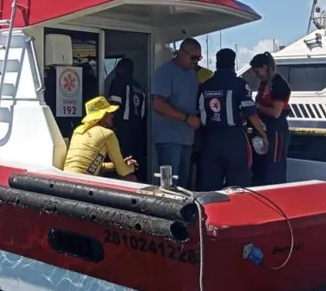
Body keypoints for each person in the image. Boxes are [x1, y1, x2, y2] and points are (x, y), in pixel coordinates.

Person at [197, 48, 268, 191]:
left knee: (210, 183)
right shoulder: (240, 84)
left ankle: (211, 212)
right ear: (233, 64)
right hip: (234, 139)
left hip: (209, 139)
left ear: (217, 64)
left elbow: (198, 112)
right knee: (238, 183)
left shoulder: (205, 86)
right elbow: (250, 113)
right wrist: (263, 135)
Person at [151, 38, 202, 188]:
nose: (196, 62)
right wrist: (187, 118)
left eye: (199, 58)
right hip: (169, 138)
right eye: (193, 58)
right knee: (170, 185)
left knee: (183, 185)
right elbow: (158, 104)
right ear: (181, 53)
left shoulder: (193, 75)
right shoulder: (165, 72)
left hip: (187, 138)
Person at [63, 96, 138, 181]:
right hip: (84, 183)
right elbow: (123, 171)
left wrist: (115, 165)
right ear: (103, 115)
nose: (112, 115)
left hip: (66, 181)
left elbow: (91, 164)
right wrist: (132, 167)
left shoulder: (77, 131)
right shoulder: (107, 134)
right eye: (109, 112)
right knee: (131, 178)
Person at [249, 51, 291, 185]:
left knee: (274, 165)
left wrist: (258, 106)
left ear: (265, 68)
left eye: (257, 71)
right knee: (262, 166)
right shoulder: (263, 84)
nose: (256, 75)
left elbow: (276, 112)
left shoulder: (279, 84)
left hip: (276, 129)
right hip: (263, 128)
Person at [108, 58, 147, 181]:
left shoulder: (118, 82)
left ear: (119, 69)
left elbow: (113, 106)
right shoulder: (140, 88)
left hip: (122, 129)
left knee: (122, 162)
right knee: (134, 162)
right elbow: (143, 113)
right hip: (137, 130)